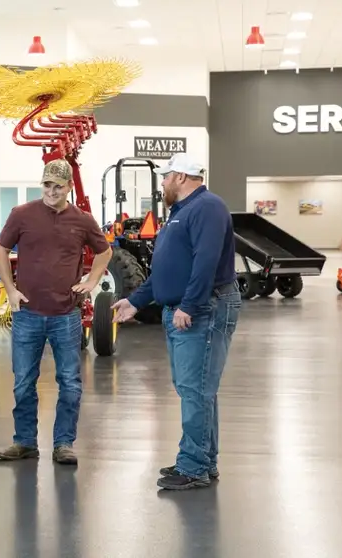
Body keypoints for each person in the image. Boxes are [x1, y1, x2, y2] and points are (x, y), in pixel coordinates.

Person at [110, 153, 241, 490]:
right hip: (188, 309)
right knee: (197, 389)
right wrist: (135, 301)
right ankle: (202, 461)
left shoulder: (207, 207)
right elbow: (165, 270)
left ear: (181, 176)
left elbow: (206, 262)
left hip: (203, 309)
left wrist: (190, 305)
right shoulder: (179, 213)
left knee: (195, 390)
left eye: (167, 177)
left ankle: (193, 466)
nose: (164, 183)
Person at [0, 158, 113, 464]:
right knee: (22, 382)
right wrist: (10, 289)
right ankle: (24, 442)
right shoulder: (22, 215)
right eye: (47, 185)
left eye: (58, 186)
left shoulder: (83, 220)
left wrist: (92, 280)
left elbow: (105, 251)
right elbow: (2, 249)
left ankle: (63, 444)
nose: (51, 191)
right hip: (27, 314)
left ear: (69, 187)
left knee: (70, 382)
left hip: (66, 316)